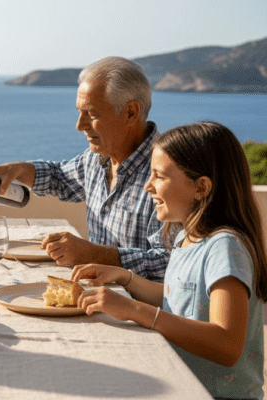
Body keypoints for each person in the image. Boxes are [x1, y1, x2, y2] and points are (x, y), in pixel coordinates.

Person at [72, 121, 266, 399]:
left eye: (159, 176)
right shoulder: (187, 236)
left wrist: (134, 310)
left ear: (201, 187)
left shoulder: (224, 247)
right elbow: (182, 297)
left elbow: (227, 345)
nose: (147, 186)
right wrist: (125, 278)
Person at [0, 56, 167, 281]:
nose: (79, 125)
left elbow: (170, 263)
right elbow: (59, 178)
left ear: (131, 113)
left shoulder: (171, 172)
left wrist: (95, 254)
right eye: (79, 112)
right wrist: (16, 170)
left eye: (92, 114)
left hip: (136, 303)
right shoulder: (96, 159)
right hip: (98, 293)